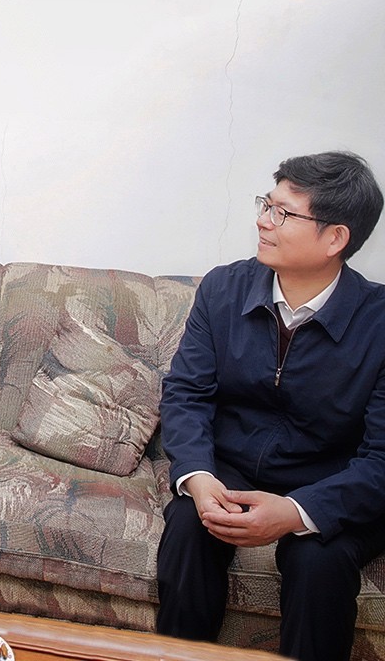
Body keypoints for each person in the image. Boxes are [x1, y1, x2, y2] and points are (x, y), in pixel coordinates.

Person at [156, 151, 385, 661]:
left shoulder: (379, 323)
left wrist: (298, 511)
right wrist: (198, 476)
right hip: (232, 467)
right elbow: (187, 393)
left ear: (335, 238)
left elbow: (381, 460)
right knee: (190, 527)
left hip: (332, 479)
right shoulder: (223, 288)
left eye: (283, 213)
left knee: (318, 561)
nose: (263, 220)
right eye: (266, 204)